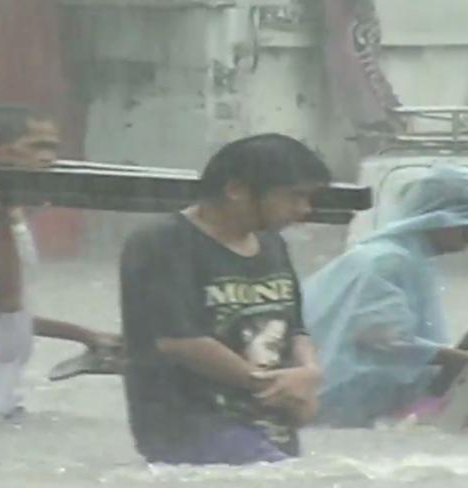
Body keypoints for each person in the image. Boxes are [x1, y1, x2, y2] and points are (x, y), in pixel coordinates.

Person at [120, 134, 330, 465]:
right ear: (236, 190)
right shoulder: (163, 242)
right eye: (295, 196)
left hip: (271, 423)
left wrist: (309, 374)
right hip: (191, 429)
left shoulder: (272, 245)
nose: (304, 209)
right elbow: (180, 341)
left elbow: (295, 328)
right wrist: (274, 387)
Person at [0, 109, 120, 427]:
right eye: (37, 147)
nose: (49, 159)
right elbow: (1, 300)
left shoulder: (9, 219)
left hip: (1, 401)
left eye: (54, 149)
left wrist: (84, 334)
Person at [303, 165, 468, 428]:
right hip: (340, 407)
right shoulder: (389, 261)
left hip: (355, 409)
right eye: (463, 224)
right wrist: (459, 360)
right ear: (437, 217)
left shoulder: (405, 259)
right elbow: (382, 337)